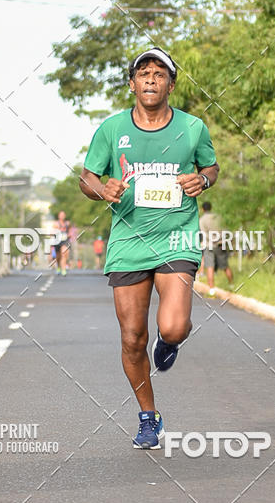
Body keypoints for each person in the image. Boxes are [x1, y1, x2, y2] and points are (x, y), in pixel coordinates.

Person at [79, 47, 219, 449]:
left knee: (173, 326)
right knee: (132, 338)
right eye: (144, 74)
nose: (151, 80)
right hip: (128, 240)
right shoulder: (112, 129)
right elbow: (87, 178)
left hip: (177, 237)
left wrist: (202, 181)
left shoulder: (192, 128)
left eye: (160, 74)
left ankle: (169, 342)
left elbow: (210, 167)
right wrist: (102, 189)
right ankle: (148, 416)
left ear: (170, 85)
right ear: (132, 84)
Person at [199, 201, 232, 294]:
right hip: (220, 244)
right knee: (225, 266)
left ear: (203, 209)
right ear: (211, 208)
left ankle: (211, 289)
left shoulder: (202, 220)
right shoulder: (218, 218)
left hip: (209, 245)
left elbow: (203, 233)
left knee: (210, 266)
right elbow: (225, 230)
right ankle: (231, 284)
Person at [53, 211, 71, 276]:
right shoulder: (56, 224)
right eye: (61, 215)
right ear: (59, 216)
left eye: (63, 215)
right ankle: (58, 267)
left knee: (64, 254)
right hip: (57, 241)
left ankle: (63, 269)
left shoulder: (68, 223)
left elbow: (69, 231)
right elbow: (53, 232)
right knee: (58, 256)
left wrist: (69, 234)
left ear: (65, 216)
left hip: (65, 240)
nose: (62, 216)